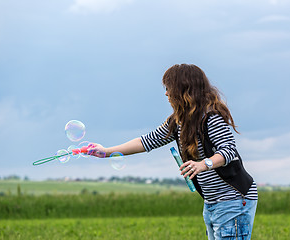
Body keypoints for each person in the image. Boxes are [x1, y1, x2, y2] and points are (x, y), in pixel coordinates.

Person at [87, 64, 258, 240]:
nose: (166, 93)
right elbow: (147, 141)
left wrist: (203, 164)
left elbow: (229, 150)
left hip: (234, 199)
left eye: (169, 88)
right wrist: (106, 152)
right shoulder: (178, 121)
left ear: (184, 90)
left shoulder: (211, 117)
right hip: (212, 202)